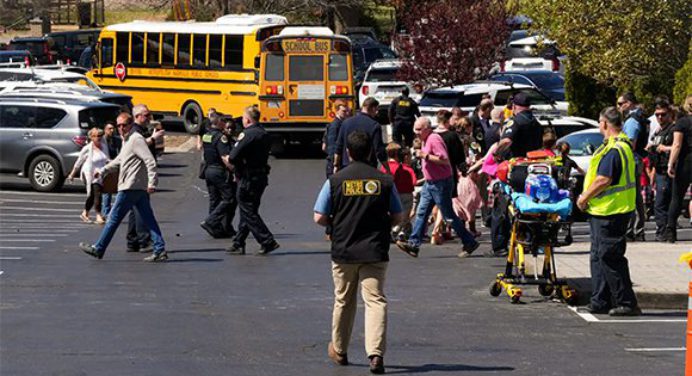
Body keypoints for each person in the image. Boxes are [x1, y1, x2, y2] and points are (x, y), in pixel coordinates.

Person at [313, 131, 404, 375]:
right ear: (370, 152)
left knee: (344, 300)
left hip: (344, 249)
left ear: (348, 153)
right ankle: (375, 355)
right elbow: (398, 215)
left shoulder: (335, 180)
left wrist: (337, 221)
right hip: (374, 249)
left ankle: (340, 350)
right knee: (375, 301)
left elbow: (319, 217)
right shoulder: (384, 181)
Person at [79, 112, 167, 262]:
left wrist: (152, 182)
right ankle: (159, 249)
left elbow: (150, 161)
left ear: (131, 124)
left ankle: (99, 248)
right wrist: (103, 170)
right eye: (118, 125)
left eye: (124, 125)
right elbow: (120, 160)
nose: (120, 128)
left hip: (130, 186)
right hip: (137, 187)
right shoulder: (128, 140)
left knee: (113, 218)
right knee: (148, 219)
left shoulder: (135, 139)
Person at [577, 107, 639, 316]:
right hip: (606, 210)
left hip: (611, 211)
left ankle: (626, 302)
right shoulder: (619, 146)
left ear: (604, 124)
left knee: (610, 257)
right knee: (599, 256)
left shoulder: (615, 149)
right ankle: (600, 300)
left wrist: (584, 197)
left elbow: (604, 179)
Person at [396, 117, 480, 258]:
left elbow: (445, 159)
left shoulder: (434, 139)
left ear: (427, 129)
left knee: (448, 215)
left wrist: (425, 156)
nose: (415, 133)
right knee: (422, 212)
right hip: (431, 182)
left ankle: (469, 241)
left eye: (419, 130)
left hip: (440, 182)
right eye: (414, 130)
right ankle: (413, 244)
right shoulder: (425, 139)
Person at [225, 106, 280, 256]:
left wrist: (233, 163)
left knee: (248, 210)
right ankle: (238, 242)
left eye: (243, 118)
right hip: (260, 176)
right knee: (249, 210)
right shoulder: (264, 133)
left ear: (247, 119)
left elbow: (233, 156)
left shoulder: (247, 135)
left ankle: (267, 240)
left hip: (248, 177)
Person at [125, 105, 164, 253]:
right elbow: (144, 154)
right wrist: (153, 139)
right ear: (138, 116)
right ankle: (143, 240)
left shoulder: (140, 131)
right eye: (146, 115)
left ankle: (132, 240)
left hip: (137, 175)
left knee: (135, 208)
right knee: (142, 208)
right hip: (139, 175)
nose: (149, 118)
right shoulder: (135, 132)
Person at [200, 112, 237, 239]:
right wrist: (235, 170)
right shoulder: (221, 137)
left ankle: (214, 228)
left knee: (214, 199)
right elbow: (224, 157)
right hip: (218, 171)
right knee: (229, 198)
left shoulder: (206, 136)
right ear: (219, 122)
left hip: (208, 170)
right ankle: (211, 221)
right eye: (223, 121)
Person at [617, 92, 648, 241]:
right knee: (636, 197)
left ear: (629, 103)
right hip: (637, 160)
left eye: (620, 103)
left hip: (632, 161)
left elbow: (630, 144)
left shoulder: (631, 121)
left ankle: (634, 229)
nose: (619, 107)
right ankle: (637, 228)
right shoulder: (638, 117)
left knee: (632, 196)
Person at [334, 97, 390, 174]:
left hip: (347, 167)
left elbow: (338, 147)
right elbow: (379, 150)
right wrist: (387, 168)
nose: (377, 112)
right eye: (376, 109)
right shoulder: (374, 125)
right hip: (368, 167)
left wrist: (336, 165)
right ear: (372, 108)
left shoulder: (346, 123)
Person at [647, 99, 678, 241]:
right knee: (659, 203)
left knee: (662, 203)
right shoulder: (658, 130)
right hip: (658, 170)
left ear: (669, 114)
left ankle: (664, 231)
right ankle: (663, 231)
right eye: (657, 115)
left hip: (668, 170)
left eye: (663, 114)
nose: (660, 117)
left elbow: (680, 148)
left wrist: (665, 148)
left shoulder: (674, 130)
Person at [68, 127, 110, 224]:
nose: (97, 138)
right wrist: (72, 174)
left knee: (92, 195)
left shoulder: (104, 147)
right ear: (91, 137)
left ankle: (85, 213)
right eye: (95, 136)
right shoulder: (87, 148)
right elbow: (79, 162)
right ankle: (99, 215)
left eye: (99, 135)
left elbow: (107, 159)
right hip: (89, 173)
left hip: (100, 173)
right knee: (97, 193)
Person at [664, 95, 691, 241]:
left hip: (685, 162)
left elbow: (677, 145)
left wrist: (671, 163)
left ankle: (671, 231)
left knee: (677, 197)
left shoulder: (682, 123)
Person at [380, 142, 416, 241]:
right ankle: (397, 230)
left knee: (391, 213)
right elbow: (414, 181)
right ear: (397, 154)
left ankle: (397, 231)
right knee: (404, 216)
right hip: (406, 193)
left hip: (391, 194)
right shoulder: (405, 168)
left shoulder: (383, 168)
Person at [494, 92, 543, 159]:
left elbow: (506, 140)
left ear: (514, 106)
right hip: (532, 160)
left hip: (517, 162)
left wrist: (496, 153)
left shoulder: (515, 121)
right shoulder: (535, 122)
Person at [101, 121, 122, 218]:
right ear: (105, 130)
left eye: (113, 128)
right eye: (109, 129)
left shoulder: (117, 140)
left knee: (118, 190)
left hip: (116, 166)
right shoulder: (102, 141)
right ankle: (106, 212)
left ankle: (113, 211)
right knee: (107, 191)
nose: (112, 130)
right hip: (106, 167)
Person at [323, 103, 350, 178]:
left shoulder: (339, 124)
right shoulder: (335, 126)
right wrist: (335, 164)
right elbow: (332, 147)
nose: (347, 113)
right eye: (344, 111)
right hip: (334, 163)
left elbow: (324, 146)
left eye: (347, 111)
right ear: (337, 111)